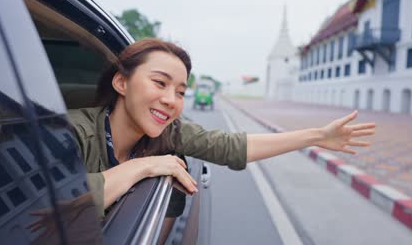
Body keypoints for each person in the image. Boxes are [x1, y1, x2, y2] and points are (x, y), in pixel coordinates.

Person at [68, 38, 376, 219]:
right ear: (121, 82)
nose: (170, 100)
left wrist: (318, 136)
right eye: (160, 83)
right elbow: (49, 209)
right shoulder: (70, 133)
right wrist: (144, 166)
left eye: (179, 92)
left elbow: (232, 147)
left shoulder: (169, 132)